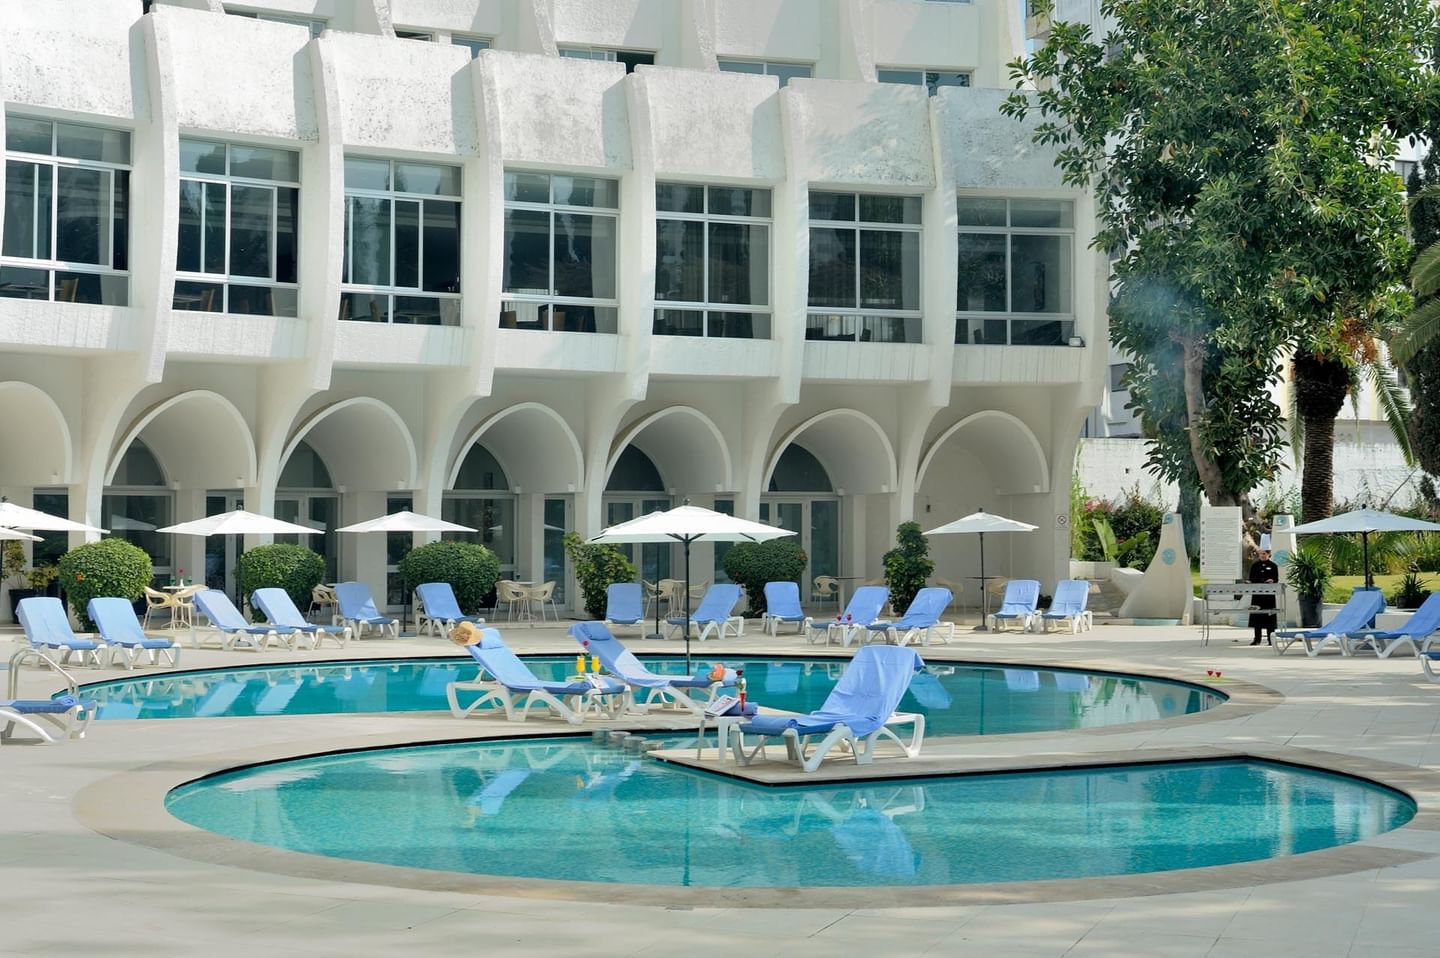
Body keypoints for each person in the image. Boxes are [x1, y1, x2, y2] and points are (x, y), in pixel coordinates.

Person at [1248, 534, 1279, 646]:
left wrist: (1271, 580)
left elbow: (1276, 578)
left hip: (1269, 596)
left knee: (1269, 617)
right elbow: (1251, 578)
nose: (1262, 556)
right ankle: (1257, 638)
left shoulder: (1273, 566)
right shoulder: (1255, 565)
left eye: (1264, 554)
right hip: (1257, 595)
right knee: (1257, 617)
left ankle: (1271, 639)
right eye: (1261, 554)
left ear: (1269, 554)